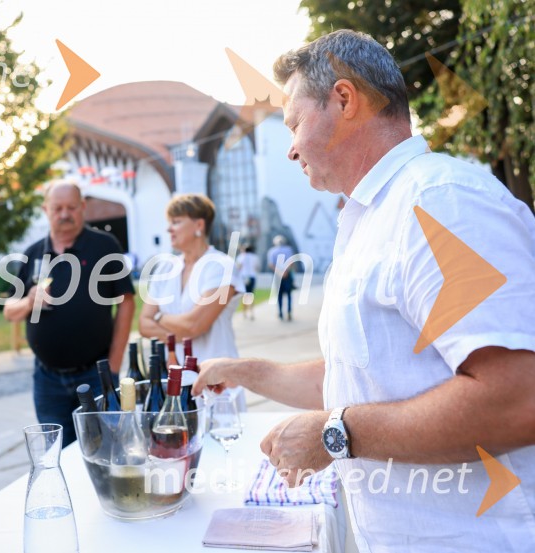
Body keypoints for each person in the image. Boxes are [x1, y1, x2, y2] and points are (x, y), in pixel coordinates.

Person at [193, 30, 535, 552]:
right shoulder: (377, 215)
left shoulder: (439, 202)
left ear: (345, 99)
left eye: (294, 123)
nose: (289, 148)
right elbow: (366, 381)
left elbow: (517, 398)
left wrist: (336, 434)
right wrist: (247, 374)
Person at [3, 180, 135, 447]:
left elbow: (126, 302)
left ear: (83, 207)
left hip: (96, 375)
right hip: (47, 380)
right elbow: (9, 311)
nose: (64, 214)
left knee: (107, 450)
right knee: (59, 454)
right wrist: (29, 302)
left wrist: (114, 362)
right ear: (46, 210)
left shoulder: (104, 246)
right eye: (57, 208)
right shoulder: (33, 254)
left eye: (71, 207)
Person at [139, 193, 245, 368]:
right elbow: (143, 324)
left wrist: (158, 317)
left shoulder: (220, 266)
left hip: (217, 379)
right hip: (175, 378)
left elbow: (194, 325)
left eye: (176, 222)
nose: (169, 229)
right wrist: (182, 332)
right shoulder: (165, 268)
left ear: (199, 225)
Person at [266, 235, 295, 321]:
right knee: (289, 294)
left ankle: (280, 313)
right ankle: (289, 311)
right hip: (287, 273)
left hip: (277, 275)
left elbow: (271, 264)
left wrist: (280, 272)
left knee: (279, 295)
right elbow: (291, 262)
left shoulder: (271, 251)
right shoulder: (288, 249)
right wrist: (285, 271)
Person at [235, 245, 259, 320]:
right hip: (252, 277)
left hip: (244, 277)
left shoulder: (241, 256)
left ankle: (244, 312)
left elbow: (238, 267)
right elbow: (257, 267)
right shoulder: (255, 257)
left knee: (244, 295)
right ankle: (251, 312)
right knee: (251, 294)